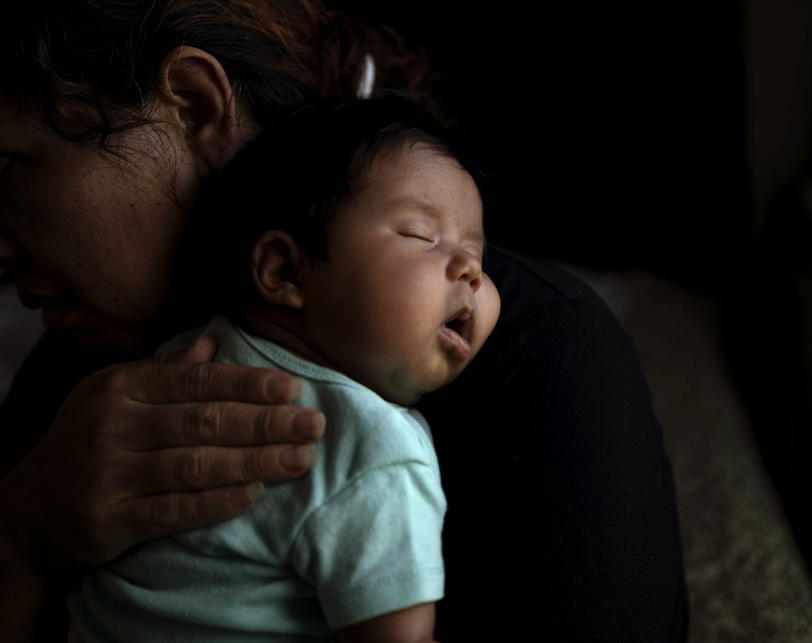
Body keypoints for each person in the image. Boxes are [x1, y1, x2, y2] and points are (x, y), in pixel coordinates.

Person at [0, 1, 687, 640]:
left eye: (8, 166)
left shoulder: (541, 362)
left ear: (195, 106)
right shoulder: (81, 374)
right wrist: (21, 534)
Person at [68, 95, 501, 641]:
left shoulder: (180, 359)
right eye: (421, 235)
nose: (470, 272)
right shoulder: (377, 453)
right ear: (283, 269)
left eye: (479, 257)